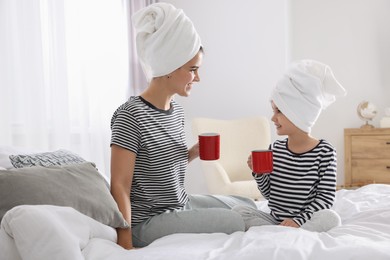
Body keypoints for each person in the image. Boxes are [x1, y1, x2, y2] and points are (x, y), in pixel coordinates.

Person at [110, 3, 255, 250]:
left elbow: (159, 167)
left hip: (180, 204)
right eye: (193, 70)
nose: (198, 78)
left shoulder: (176, 111)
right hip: (149, 220)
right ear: (169, 68)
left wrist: (191, 154)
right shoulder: (129, 116)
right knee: (235, 219)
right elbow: (120, 184)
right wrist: (125, 243)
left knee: (247, 204)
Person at [233, 59, 346, 232]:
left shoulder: (325, 152)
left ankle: (283, 232)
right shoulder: (276, 149)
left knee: (330, 217)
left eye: (279, 111)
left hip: (304, 220)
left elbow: (326, 198)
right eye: (273, 111)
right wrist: (259, 173)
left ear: (299, 114)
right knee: (238, 211)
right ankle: (283, 231)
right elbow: (269, 195)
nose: (273, 118)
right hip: (275, 219)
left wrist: (299, 220)